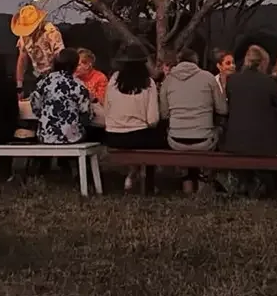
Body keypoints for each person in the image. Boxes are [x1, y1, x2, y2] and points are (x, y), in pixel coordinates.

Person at [219, 45, 277, 196]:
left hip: (235, 140)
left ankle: (246, 183)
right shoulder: (268, 82)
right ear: (263, 62)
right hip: (263, 143)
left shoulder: (233, 80)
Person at [159, 48, 227, 193]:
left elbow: (164, 114)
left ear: (179, 62)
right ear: (196, 62)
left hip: (176, 141)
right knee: (217, 131)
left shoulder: (168, 80)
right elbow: (223, 110)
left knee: (182, 135)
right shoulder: (208, 78)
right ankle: (204, 178)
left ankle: (187, 182)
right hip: (204, 141)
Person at [103, 47, 162, 193]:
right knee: (156, 136)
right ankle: (148, 182)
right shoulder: (148, 83)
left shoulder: (114, 81)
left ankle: (132, 174)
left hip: (113, 136)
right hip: (138, 136)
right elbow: (153, 119)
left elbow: (107, 108)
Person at [30, 47, 90, 144]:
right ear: (74, 65)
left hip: (45, 136)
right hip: (72, 137)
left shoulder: (43, 83)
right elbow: (86, 113)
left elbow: (35, 106)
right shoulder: (78, 85)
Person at [12, 5, 64, 95]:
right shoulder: (23, 37)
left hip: (56, 76)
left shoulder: (51, 34)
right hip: (38, 77)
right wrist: (19, 85)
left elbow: (60, 57)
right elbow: (22, 59)